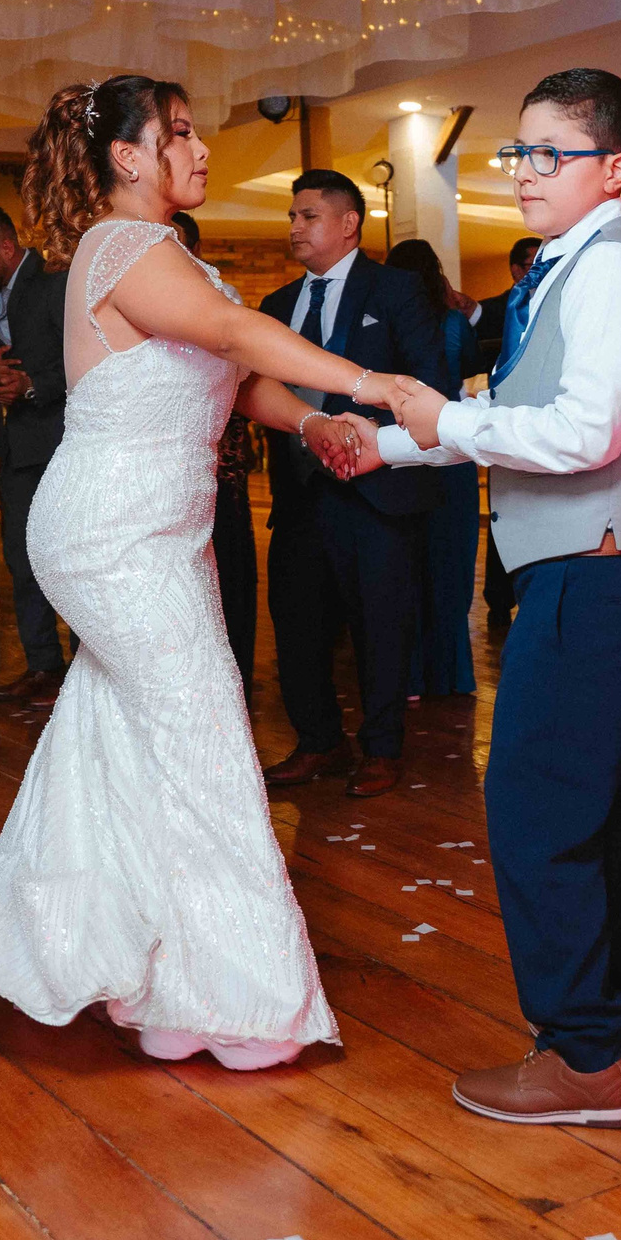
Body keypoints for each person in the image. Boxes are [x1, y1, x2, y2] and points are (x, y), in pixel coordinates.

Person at [0, 74, 400, 1073]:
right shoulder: (120, 246)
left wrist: (311, 421)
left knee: (126, 737)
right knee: (203, 733)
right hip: (112, 533)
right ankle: (239, 999)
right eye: (178, 133)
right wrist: (370, 382)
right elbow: (233, 334)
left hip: (158, 531)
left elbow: (237, 374)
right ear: (127, 157)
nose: (201, 149)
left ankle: (155, 984)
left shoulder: (170, 254)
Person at [348, 66, 621, 1128]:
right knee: (599, 804)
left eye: (551, 153)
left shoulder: (611, 270)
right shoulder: (571, 263)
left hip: (600, 566)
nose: (525, 172)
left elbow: (583, 434)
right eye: (518, 151)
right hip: (601, 562)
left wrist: (442, 421)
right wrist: (386, 445)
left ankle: (584, 1059)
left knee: (536, 808)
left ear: (615, 169)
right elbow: (517, 411)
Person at [257, 170, 455, 800]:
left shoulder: (396, 290)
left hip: (378, 494)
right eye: (292, 217)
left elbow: (428, 383)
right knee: (297, 623)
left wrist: (366, 438)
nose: (295, 227)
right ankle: (318, 740)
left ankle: (381, 747)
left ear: (348, 224)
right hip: (300, 495)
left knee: (382, 626)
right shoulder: (276, 307)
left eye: (308, 216)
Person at [0, 203, 73, 701]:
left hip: (61, 439)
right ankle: (42, 664)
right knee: (21, 558)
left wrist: (31, 387)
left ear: (7, 247)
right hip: (20, 443)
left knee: (71, 560)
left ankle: (86, 671)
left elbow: (82, 358)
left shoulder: (52, 281)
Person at [387, 237, 484, 692]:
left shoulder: (384, 321)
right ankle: (449, 675)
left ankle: (406, 676)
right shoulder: (451, 323)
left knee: (405, 567)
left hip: (398, 450)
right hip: (448, 452)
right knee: (451, 569)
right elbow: (470, 368)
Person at [176, 211, 263, 685]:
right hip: (153, 478)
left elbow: (246, 377)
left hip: (217, 469)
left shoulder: (223, 300)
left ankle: (233, 683)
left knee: (228, 579)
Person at [476, 235, 542, 634]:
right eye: (533, 262)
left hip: (547, 423)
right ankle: (499, 601)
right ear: (516, 270)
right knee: (505, 512)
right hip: (506, 421)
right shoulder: (496, 309)